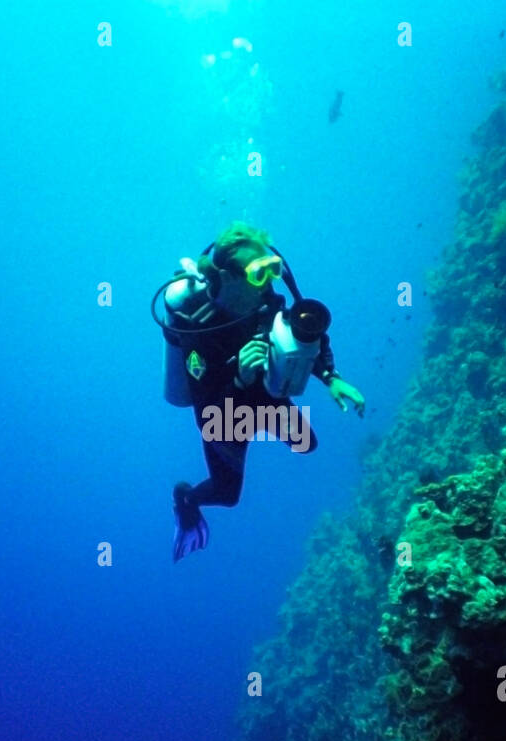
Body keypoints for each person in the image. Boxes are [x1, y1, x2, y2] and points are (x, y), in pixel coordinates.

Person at [155, 222, 366, 562]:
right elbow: (205, 408)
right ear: (229, 277)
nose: (268, 281)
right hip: (222, 418)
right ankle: (185, 499)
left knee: (306, 444)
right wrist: (237, 379)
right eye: (257, 273)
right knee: (227, 495)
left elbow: (308, 334)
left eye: (272, 269)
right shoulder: (198, 326)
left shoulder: (266, 301)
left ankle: (259, 422)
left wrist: (331, 377)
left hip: (263, 394)